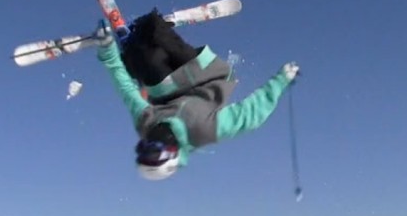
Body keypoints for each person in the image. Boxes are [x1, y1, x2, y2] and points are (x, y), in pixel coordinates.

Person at [94, 9, 299, 180]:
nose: (150, 142)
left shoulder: (146, 122)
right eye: (154, 149)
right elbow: (251, 115)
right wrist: (281, 80)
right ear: (171, 153)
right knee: (158, 34)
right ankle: (153, 29)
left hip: (168, 88)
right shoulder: (203, 130)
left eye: (143, 147)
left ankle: (135, 48)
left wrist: (108, 50)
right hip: (208, 77)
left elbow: (125, 88)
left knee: (151, 61)